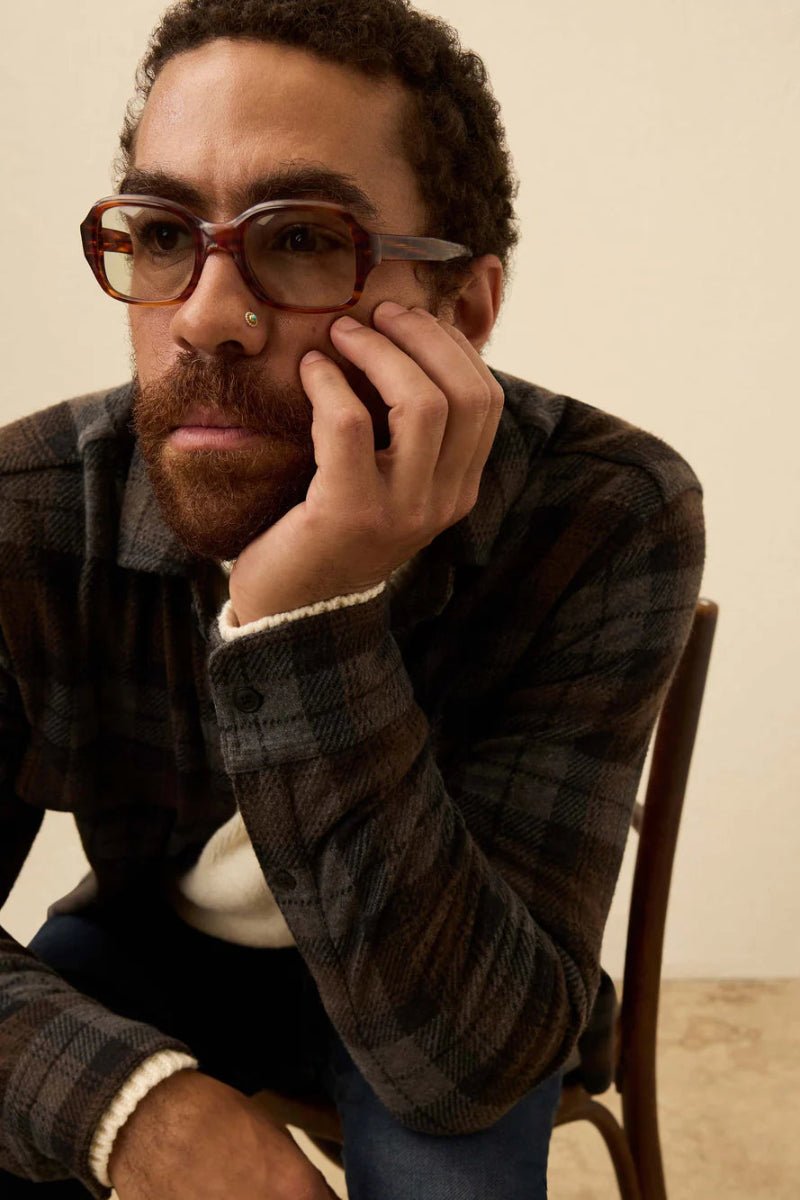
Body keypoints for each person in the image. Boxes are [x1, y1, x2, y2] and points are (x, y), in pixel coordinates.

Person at [0, 1, 706, 1197]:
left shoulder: (605, 508)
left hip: (460, 963)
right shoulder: (33, 508)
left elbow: (465, 1066)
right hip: (157, 938)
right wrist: (143, 1114)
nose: (204, 318)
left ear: (459, 311)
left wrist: (302, 620)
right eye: (163, 232)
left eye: (300, 239)